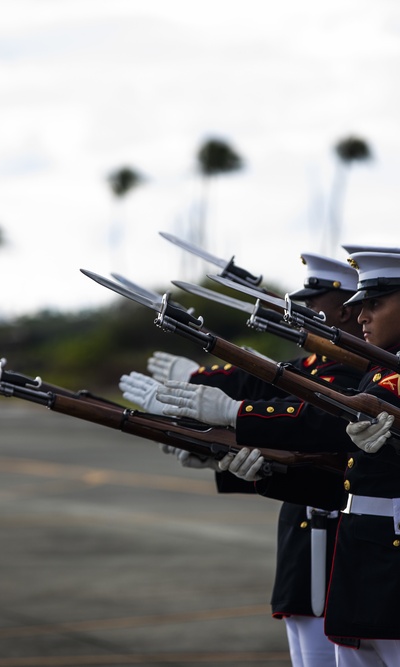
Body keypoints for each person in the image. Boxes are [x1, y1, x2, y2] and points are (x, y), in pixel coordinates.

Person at [157, 251, 400, 667]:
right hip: (356, 560)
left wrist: (235, 415)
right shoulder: (377, 371)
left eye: (372, 304)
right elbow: (343, 478)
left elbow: (326, 421)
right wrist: (257, 469)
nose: (359, 315)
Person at [122, 251, 368, 667]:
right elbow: (263, 394)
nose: (304, 307)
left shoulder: (350, 378)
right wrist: (213, 449)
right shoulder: (307, 368)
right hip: (303, 548)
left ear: (345, 310)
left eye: (315, 299)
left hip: (346, 547)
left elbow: (305, 428)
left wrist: (222, 410)